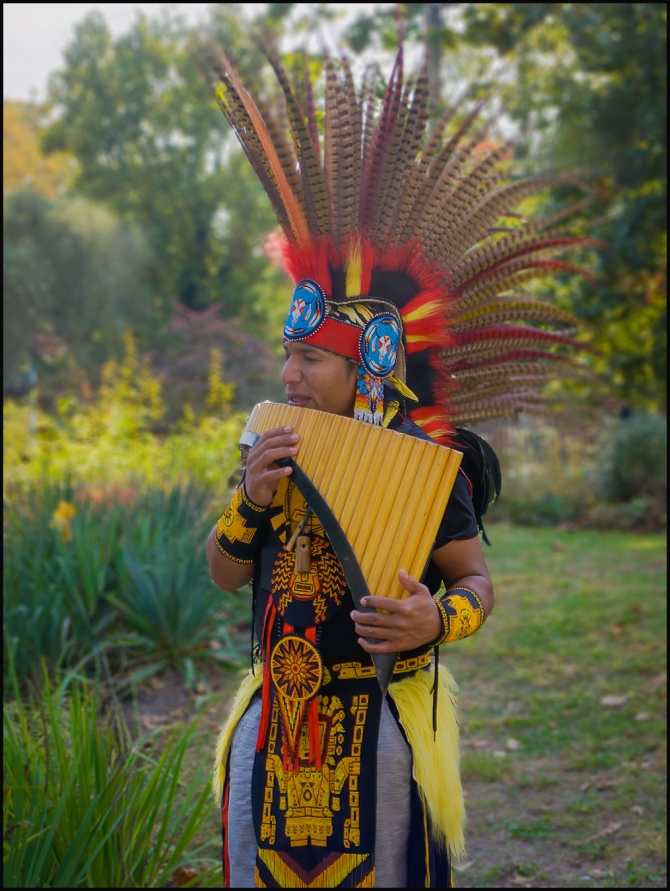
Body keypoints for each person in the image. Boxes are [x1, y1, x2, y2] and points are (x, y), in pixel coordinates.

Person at [205, 42, 590, 889]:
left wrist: (435, 620)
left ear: (368, 371)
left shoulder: (426, 469)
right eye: (286, 353)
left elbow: (477, 582)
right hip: (277, 723)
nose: (287, 375)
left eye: (310, 359)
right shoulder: (273, 444)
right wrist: (251, 499)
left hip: (378, 719)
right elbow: (225, 573)